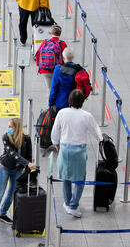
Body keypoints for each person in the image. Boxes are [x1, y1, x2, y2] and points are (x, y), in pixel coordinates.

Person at [51, 89, 103, 218]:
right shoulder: (86, 116)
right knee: (79, 180)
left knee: (66, 177)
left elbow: (55, 131)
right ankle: (73, 206)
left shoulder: (62, 113)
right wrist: (101, 140)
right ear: (82, 102)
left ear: (70, 100)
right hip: (79, 151)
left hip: (64, 148)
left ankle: (68, 202)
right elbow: (96, 132)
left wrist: (56, 143)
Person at [0, 118, 35, 233]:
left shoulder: (26, 139)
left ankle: (2, 214)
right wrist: (27, 163)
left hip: (17, 169)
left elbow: (29, 155)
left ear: (17, 128)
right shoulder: (6, 137)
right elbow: (12, 154)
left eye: (11, 127)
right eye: (8, 126)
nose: (8, 129)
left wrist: (26, 167)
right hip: (5, 168)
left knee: (12, 193)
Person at [49, 47, 91, 112]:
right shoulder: (80, 70)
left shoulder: (58, 69)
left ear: (63, 57)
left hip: (60, 103)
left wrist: (51, 103)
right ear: (73, 57)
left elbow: (54, 88)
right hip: (75, 103)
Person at [35, 25, 68, 89]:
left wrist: (39, 65)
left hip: (44, 69)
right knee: (57, 88)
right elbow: (66, 58)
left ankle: (51, 97)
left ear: (51, 33)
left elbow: (37, 54)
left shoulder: (45, 42)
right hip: (56, 69)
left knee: (50, 88)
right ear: (60, 33)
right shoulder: (62, 44)